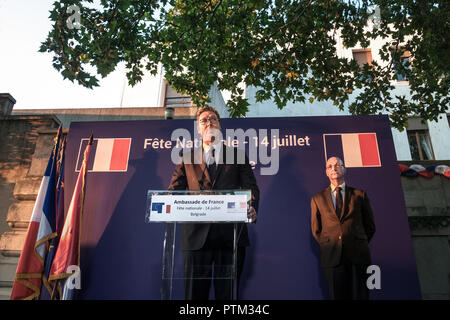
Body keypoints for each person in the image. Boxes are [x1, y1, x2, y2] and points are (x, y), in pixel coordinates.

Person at [168, 106, 259, 300]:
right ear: (198, 129)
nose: (209, 122)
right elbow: (173, 192)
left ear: (220, 125)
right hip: (195, 237)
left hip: (230, 237)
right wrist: (165, 205)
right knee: (194, 297)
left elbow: (251, 189)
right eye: (204, 120)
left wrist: (252, 207)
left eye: (213, 119)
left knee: (228, 296)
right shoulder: (187, 158)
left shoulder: (238, 155)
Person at [310, 156, 376, 300]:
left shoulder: (360, 195)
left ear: (344, 169)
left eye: (337, 165)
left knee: (361, 296)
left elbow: (370, 226)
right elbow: (316, 230)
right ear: (326, 172)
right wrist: (330, 244)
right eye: (329, 166)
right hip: (333, 258)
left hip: (358, 256)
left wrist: (358, 242)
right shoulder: (317, 199)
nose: (333, 168)